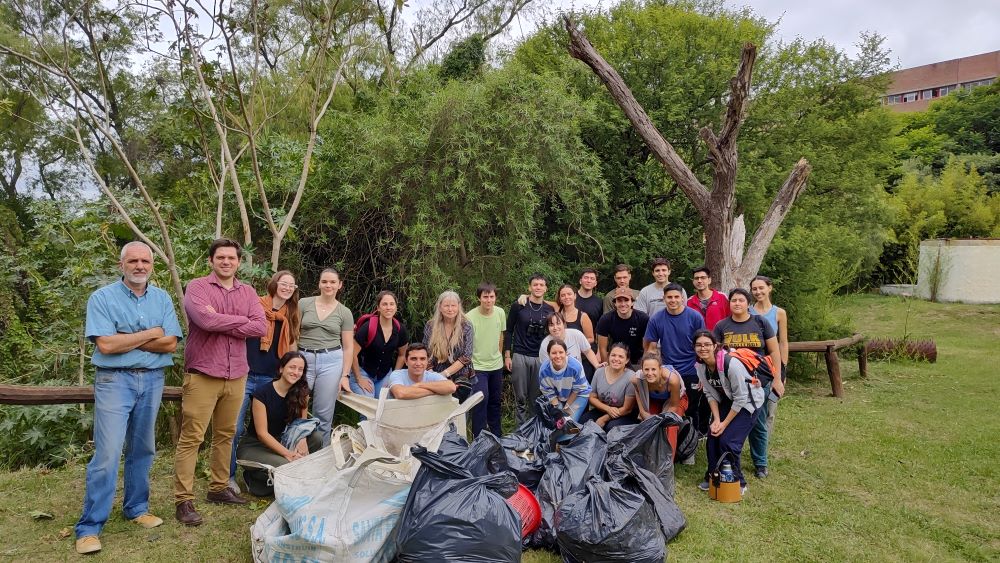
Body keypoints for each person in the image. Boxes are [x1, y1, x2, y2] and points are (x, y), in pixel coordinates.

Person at [74, 242, 183, 555]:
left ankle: (136, 508)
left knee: (143, 448)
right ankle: (90, 527)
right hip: (114, 381)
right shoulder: (102, 298)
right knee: (107, 454)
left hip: (152, 380)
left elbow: (171, 343)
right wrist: (150, 333)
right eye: (133, 260)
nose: (139, 266)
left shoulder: (161, 297)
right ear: (121, 264)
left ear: (152, 265)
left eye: (145, 261)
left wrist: (126, 339)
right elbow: (106, 346)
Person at [175, 238, 267, 526]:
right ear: (211, 260)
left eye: (231, 258)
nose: (226, 262)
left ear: (239, 262)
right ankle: (183, 500)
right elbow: (205, 322)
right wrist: (238, 321)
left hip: (237, 373)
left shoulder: (248, 291)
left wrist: (221, 319)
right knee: (192, 437)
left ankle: (218, 488)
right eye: (221, 257)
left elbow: (260, 326)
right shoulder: (198, 287)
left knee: (226, 435)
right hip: (203, 373)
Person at [231, 270, 300, 494]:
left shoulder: (291, 313)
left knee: (269, 428)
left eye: (291, 285)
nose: (287, 288)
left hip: (270, 377)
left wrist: (291, 374)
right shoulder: (256, 304)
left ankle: (257, 470)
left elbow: (291, 346)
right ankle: (227, 477)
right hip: (246, 374)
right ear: (275, 283)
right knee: (234, 428)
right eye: (284, 283)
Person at [235, 351, 323, 497]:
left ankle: (290, 478)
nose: (296, 372)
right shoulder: (262, 394)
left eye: (300, 369)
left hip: (282, 439)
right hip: (255, 446)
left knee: (316, 438)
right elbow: (262, 434)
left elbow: (302, 423)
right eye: (292, 367)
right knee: (287, 466)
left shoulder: (302, 393)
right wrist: (288, 454)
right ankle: (255, 480)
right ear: (281, 368)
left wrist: (301, 438)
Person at [694, 330, 764, 495]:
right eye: (698, 345)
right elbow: (709, 393)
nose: (703, 348)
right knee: (713, 436)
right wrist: (717, 420)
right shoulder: (700, 366)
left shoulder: (731, 364)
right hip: (728, 401)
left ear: (715, 346)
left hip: (748, 403)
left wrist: (725, 424)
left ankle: (738, 481)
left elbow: (741, 398)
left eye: (707, 344)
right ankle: (713, 476)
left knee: (729, 441)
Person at [643, 282, 706, 445]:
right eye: (669, 297)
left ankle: (690, 442)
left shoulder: (695, 317)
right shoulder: (656, 319)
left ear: (683, 298)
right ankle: (663, 441)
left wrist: (703, 372)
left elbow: (703, 345)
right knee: (667, 405)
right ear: (664, 299)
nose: (673, 300)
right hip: (667, 370)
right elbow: (650, 346)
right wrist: (651, 369)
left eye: (676, 297)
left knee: (691, 407)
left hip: (691, 369)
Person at [299, 268, 355, 448]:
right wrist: (291, 360)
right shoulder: (303, 304)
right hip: (303, 357)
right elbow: (292, 335)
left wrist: (345, 375)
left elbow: (348, 347)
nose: (328, 285)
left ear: (340, 285)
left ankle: (319, 455)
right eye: (324, 282)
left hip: (331, 360)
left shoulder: (344, 312)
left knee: (323, 412)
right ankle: (294, 451)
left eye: (332, 282)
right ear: (319, 284)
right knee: (297, 405)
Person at [749, 275, 790, 479]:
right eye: (754, 289)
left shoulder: (779, 313)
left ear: (770, 288)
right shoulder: (747, 311)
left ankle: (761, 454)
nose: (758, 292)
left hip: (771, 367)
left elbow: (783, 343)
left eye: (761, 288)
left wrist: (781, 372)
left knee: (768, 412)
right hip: (750, 368)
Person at [712, 288, 783, 398]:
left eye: (741, 300)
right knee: (733, 413)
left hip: (760, 378)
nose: (737, 303)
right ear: (729, 303)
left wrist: (777, 378)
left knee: (760, 414)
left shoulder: (760, 322)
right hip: (731, 380)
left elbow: (774, 351)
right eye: (734, 300)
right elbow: (714, 354)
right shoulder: (721, 326)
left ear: (748, 304)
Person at [505, 274, 556, 424]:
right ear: (529, 287)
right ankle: (520, 431)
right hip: (520, 354)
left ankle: (534, 430)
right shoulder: (519, 305)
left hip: (540, 357)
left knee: (536, 398)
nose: (538, 287)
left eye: (541, 285)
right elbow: (508, 331)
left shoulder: (549, 309)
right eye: (535, 285)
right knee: (520, 397)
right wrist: (508, 355)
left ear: (546, 288)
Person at [350, 290, 409, 399]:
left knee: (384, 405)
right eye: (384, 304)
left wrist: (393, 377)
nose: (388, 307)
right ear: (378, 307)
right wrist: (359, 379)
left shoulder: (400, 329)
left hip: (385, 374)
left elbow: (402, 355)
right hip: (363, 372)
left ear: (396, 307)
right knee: (368, 406)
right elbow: (352, 354)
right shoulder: (368, 327)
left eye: (392, 304)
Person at [466, 282, 506, 437]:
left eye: (491, 297)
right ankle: (479, 438)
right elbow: (467, 344)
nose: (488, 300)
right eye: (485, 297)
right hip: (478, 366)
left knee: (495, 402)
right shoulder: (469, 317)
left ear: (495, 298)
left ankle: (497, 436)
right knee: (481, 401)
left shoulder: (500, 312)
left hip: (496, 365)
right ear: (479, 298)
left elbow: (501, 336)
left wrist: (499, 354)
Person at [422, 290, 476, 401]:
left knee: (459, 413)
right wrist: (434, 376)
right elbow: (425, 353)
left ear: (459, 306)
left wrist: (444, 374)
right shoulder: (430, 326)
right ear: (440, 307)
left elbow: (466, 356)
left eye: (453, 305)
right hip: (435, 375)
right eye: (446, 306)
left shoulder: (466, 326)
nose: (450, 309)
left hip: (461, 377)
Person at [633, 352, 687, 460]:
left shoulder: (672, 380)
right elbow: (638, 395)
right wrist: (643, 413)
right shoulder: (637, 379)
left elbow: (673, 406)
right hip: (655, 400)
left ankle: (667, 463)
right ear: (642, 369)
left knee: (670, 425)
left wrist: (661, 420)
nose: (650, 373)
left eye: (653, 369)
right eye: (646, 369)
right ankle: (649, 457)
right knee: (648, 422)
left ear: (660, 369)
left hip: (675, 400)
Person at [581, 343, 636, 430]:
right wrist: (608, 409)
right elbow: (592, 398)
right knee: (583, 421)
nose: (616, 359)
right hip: (603, 409)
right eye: (613, 355)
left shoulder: (631, 377)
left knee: (611, 428)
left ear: (627, 360)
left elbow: (627, 409)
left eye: (621, 357)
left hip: (622, 413)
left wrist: (604, 419)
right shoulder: (599, 372)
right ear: (608, 356)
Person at [538, 339, 592, 422]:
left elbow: (577, 390)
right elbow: (547, 391)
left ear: (566, 353)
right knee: (556, 421)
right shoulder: (544, 370)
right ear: (549, 355)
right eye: (554, 353)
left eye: (561, 352)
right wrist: (558, 409)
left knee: (569, 423)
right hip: (558, 396)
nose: (558, 356)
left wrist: (566, 408)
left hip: (579, 394)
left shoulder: (575, 367)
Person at [596, 287, 650, 369]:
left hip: (638, 359)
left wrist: (644, 365)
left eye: (626, 300)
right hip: (616, 358)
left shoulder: (643, 319)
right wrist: (606, 366)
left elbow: (646, 347)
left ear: (632, 302)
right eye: (619, 301)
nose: (623, 304)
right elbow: (602, 348)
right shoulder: (606, 319)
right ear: (615, 303)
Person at [386, 343, 458, 398]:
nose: (418, 363)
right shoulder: (397, 374)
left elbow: (451, 387)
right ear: (406, 361)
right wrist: (436, 391)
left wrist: (419, 385)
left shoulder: (431, 375)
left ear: (427, 361)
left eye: (422, 359)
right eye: (414, 359)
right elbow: (401, 393)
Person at [539, 311, 604, 370]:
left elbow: (587, 351)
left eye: (558, 323)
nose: (555, 327)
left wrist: (597, 365)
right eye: (551, 325)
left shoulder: (576, 334)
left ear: (564, 324)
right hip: (556, 378)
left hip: (577, 376)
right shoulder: (545, 345)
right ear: (548, 328)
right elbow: (545, 367)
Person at [687, 266, 729, 330]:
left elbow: (731, 318)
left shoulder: (722, 297)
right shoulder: (689, 302)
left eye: (703, 278)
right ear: (693, 281)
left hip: (720, 338)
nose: (699, 281)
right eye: (696, 278)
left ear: (709, 280)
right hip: (699, 339)